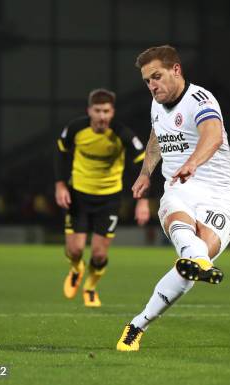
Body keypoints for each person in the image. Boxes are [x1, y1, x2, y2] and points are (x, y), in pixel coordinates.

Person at [116, 45, 230, 351]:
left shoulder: (201, 99)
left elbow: (212, 135)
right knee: (182, 228)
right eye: (147, 81)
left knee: (191, 265)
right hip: (179, 189)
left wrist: (193, 162)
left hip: (220, 196)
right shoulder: (156, 104)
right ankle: (196, 260)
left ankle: (137, 323)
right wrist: (146, 172)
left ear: (176, 70)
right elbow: (157, 136)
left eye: (156, 77)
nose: (152, 85)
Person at [54, 88, 150, 307]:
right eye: (97, 111)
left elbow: (144, 164)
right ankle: (76, 268)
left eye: (106, 111)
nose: (102, 116)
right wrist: (60, 185)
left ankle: (90, 286)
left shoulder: (122, 133)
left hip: (109, 199)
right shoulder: (76, 129)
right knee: (75, 250)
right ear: (89, 111)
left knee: (98, 255)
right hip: (78, 195)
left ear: (112, 112)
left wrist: (143, 201)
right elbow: (59, 152)